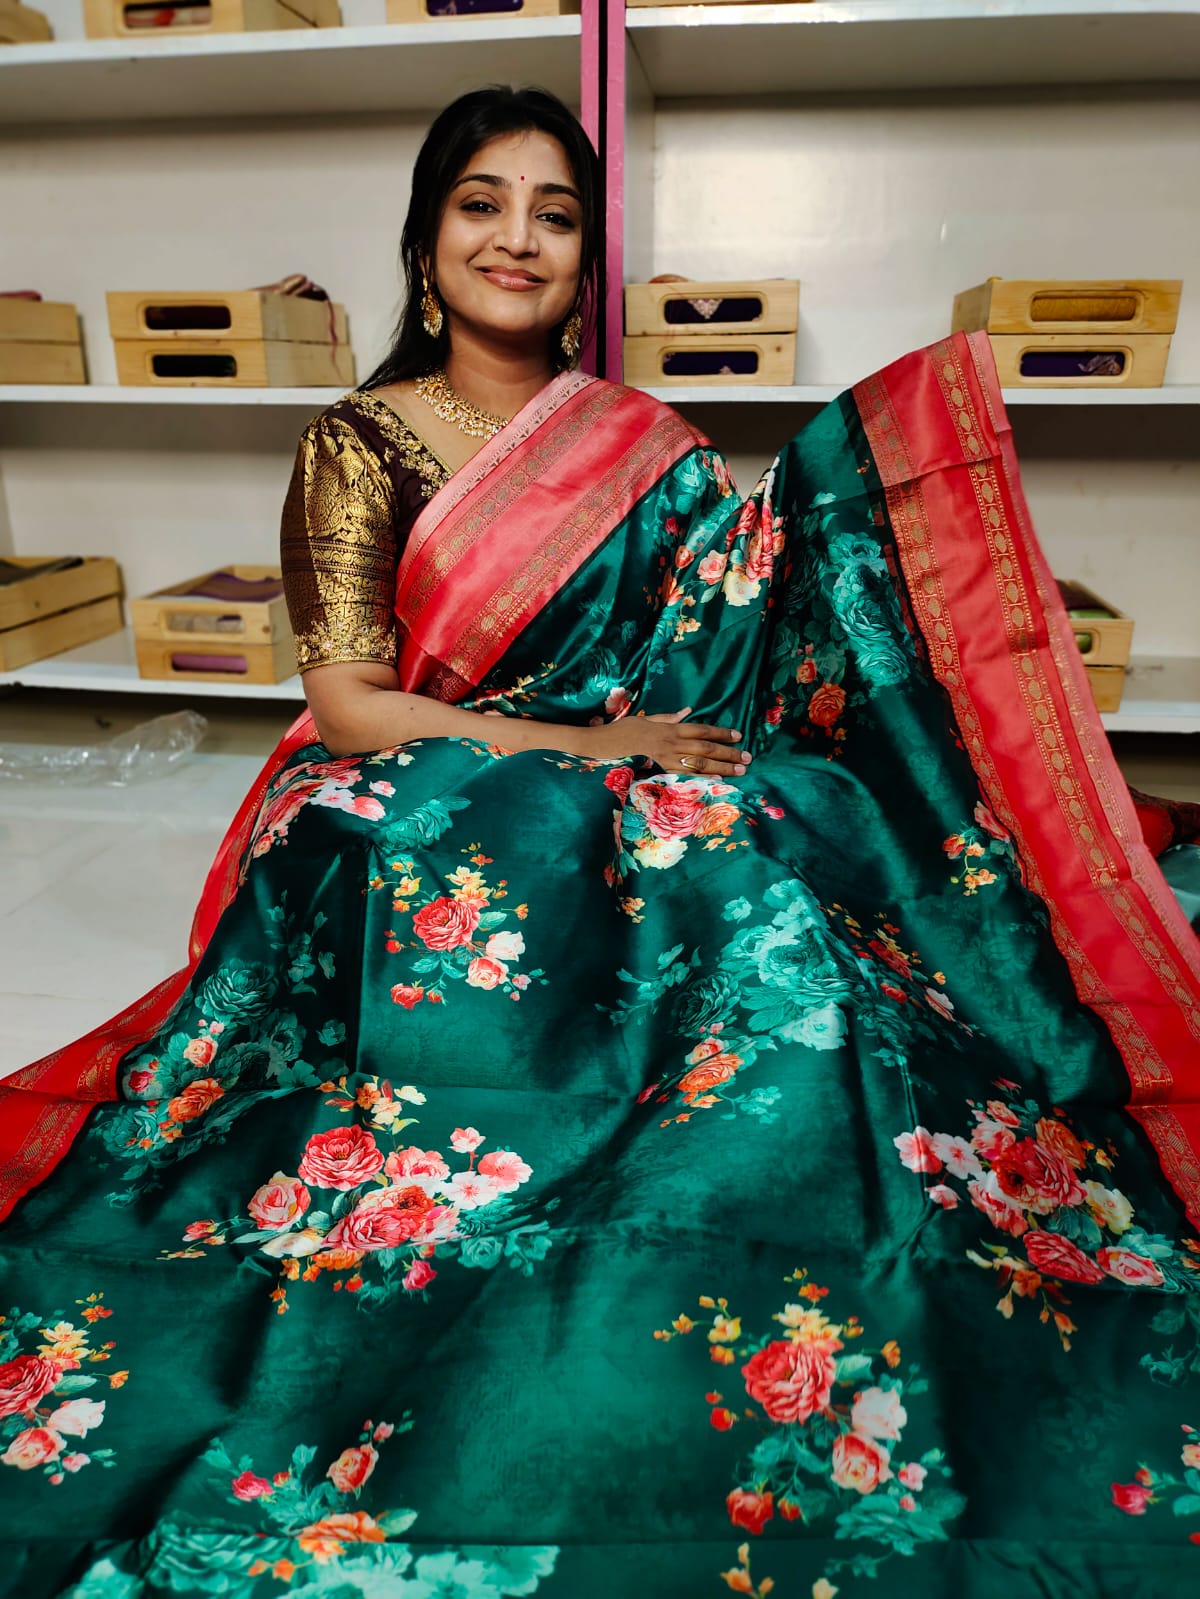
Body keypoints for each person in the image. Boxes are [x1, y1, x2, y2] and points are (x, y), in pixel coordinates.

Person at [1, 85, 1199, 1599]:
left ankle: (762, 1154)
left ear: (585, 256)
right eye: (482, 204)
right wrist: (583, 752)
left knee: (765, 843)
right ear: (426, 240)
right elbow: (353, 705)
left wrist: (861, 491)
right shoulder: (361, 439)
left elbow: (734, 608)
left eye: (555, 214)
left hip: (623, 748)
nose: (518, 238)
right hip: (413, 763)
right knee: (436, 836)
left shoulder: (638, 443)